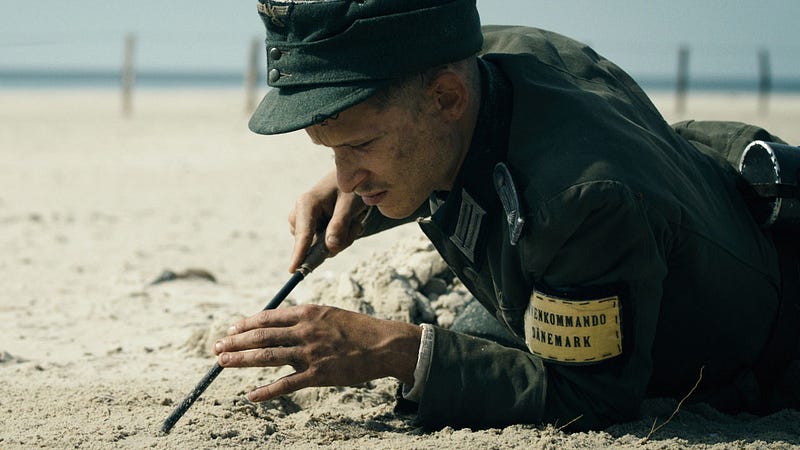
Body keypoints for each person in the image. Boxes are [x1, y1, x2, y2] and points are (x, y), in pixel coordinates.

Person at [213, 0, 800, 430]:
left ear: (446, 98)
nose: (342, 175)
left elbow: (591, 399)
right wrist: (365, 188)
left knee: (455, 360)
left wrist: (393, 351)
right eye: (330, 152)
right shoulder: (469, 54)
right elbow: (455, 145)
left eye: (359, 146)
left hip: (757, 346)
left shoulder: (577, 204)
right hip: (669, 221)